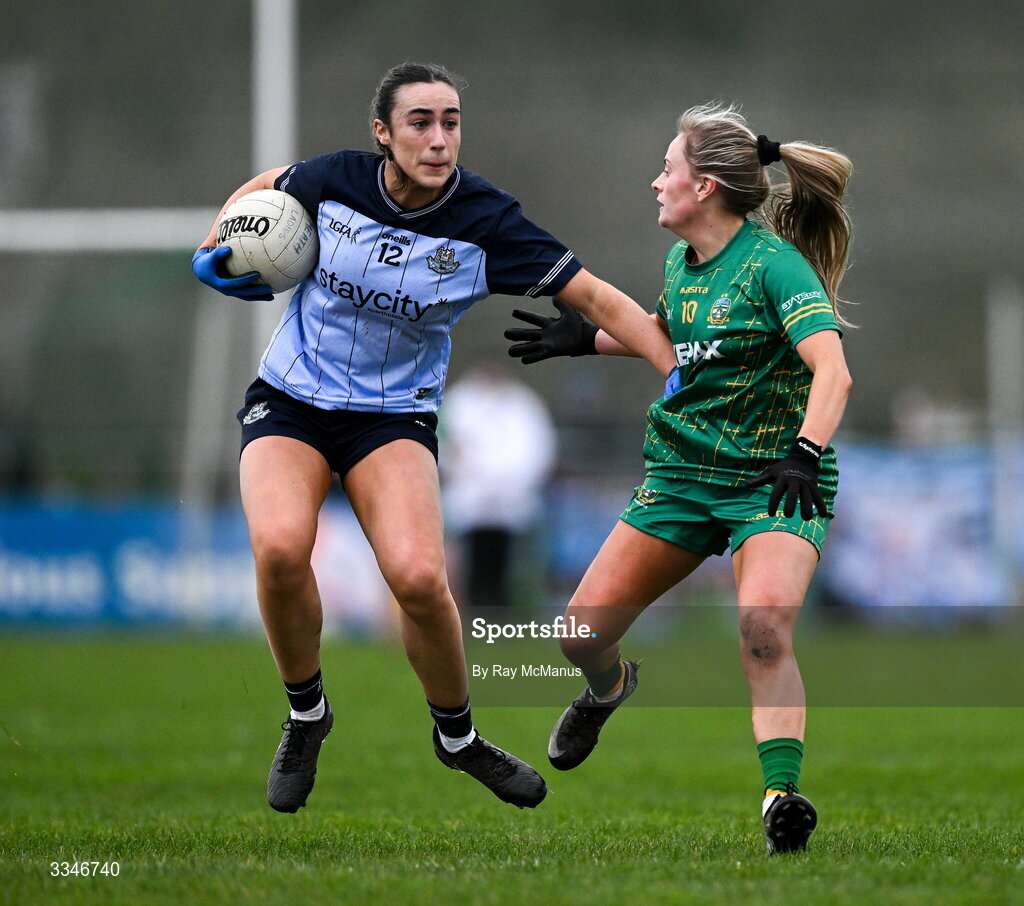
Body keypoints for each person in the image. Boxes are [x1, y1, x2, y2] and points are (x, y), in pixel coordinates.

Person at [190, 62, 676, 814]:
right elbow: (266, 184)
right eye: (420, 121)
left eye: (451, 121)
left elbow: (596, 296)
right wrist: (214, 242)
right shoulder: (333, 180)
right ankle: (307, 715)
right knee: (281, 548)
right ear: (383, 133)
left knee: (419, 578)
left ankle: (458, 739)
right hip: (290, 401)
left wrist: (670, 365)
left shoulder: (486, 220)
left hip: (392, 417)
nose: (439, 137)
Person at [505, 102, 853, 853]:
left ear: (703, 188)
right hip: (682, 474)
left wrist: (804, 449)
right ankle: (608, 688)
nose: (654, 181)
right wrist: (590, 341)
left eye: (666, 169)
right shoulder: (681, 263)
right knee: (577, 636)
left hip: (775, 479)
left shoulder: (775, 265)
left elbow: (834, 370)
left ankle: (780, 798)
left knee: (763, 628)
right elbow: (679, 338)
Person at [440, 363, 557, 608]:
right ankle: (471, 603)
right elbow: (445, 445)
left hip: (512, 499)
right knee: (470, 558)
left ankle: (502, 604)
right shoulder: (459, 401)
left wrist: (506, 482)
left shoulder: (522, 404)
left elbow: (536, 450)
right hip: (468, 497)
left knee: (504, 559)